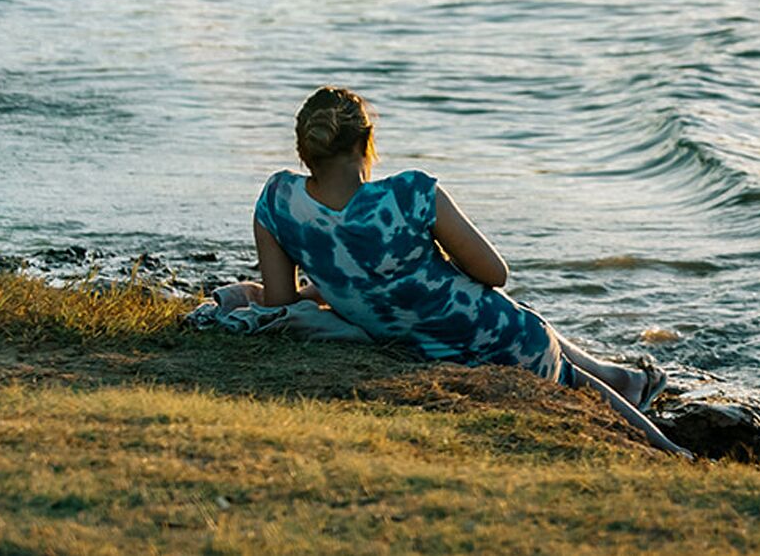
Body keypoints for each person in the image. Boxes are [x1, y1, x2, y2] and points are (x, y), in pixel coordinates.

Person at [247, 87, 686, 456]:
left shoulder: (276, 202)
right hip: (499, 340)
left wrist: (338, 287)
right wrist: (429, 262)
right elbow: (494, 273)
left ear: (305, 149)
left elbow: (282, 304)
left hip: (422, 344)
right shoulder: (411, 193)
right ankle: (672, 450)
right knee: (553, 360)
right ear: (367, 142)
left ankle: (631, 385)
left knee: (522, 326)